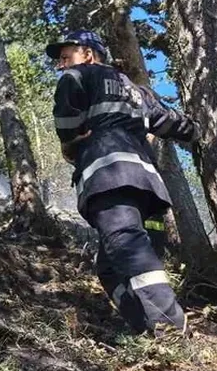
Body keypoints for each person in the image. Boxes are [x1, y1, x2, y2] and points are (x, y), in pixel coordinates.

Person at [48, 30, 197, 335]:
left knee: (126, 247)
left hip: (109, 178)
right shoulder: (139, 92)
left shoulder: (77, 77)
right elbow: (175, 124)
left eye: (65, 57)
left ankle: (170, 331)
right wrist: (202, 130)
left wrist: (72, 143)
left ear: (88, 54)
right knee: (110, 265)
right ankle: (145, 329)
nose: (61, 66)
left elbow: (65, 126)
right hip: (149, 190)